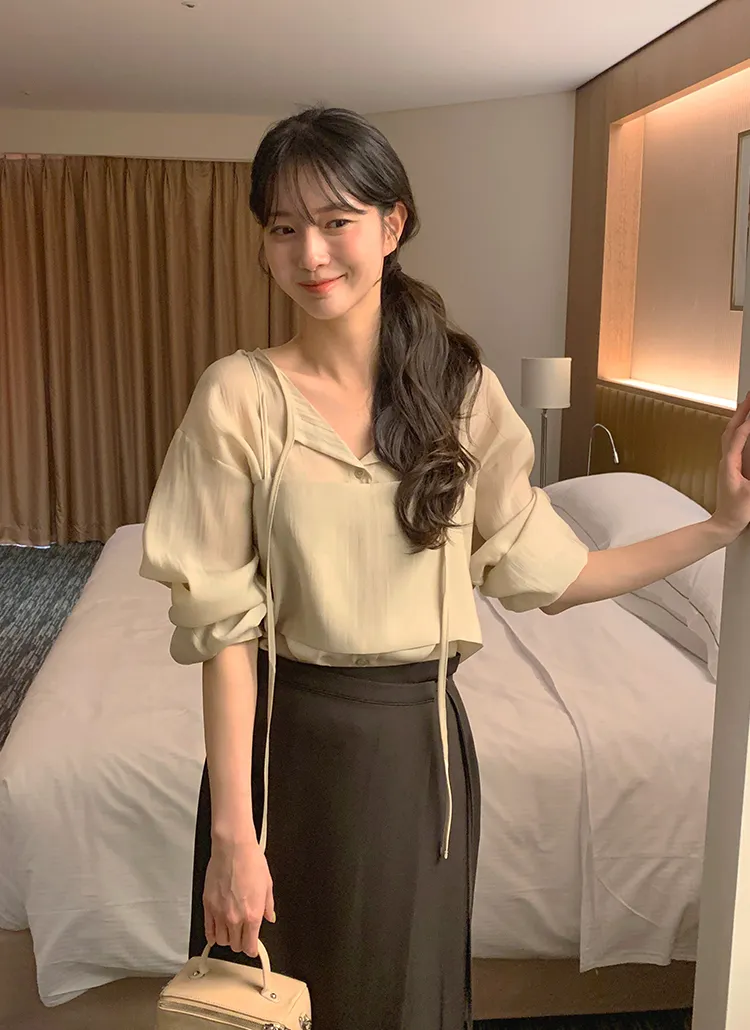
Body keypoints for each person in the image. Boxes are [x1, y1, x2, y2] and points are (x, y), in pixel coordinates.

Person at [139, 106, 750, 1030]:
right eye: (284, 228)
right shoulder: (239, 397)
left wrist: (716, 527)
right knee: (267, 1002)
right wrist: (234, 834)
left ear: (392, 226)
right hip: (283, 752)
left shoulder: (460, 397)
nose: (311, 253)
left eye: (337, 221)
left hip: (418, 762)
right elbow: (223, 627)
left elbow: (555, 572)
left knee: (402, 1001)